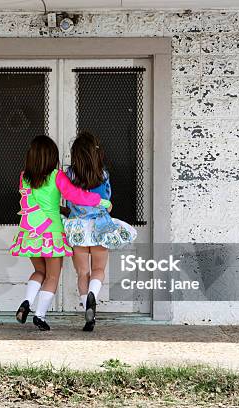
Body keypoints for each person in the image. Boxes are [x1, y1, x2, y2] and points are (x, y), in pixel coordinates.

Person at [9, 135, 111, 331]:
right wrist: (102, 202)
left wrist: (61, 209)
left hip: (29, 233)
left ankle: (26, 302)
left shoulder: (24, 176)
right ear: (52, 156)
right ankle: (39, 316)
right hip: (51, 234)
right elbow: (75, 195)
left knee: (39, 272)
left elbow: (38, 202)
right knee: (52, 277)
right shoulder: (57, 176)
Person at [63, 131, 137, 331]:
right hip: (100, 227)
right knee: (98, 270)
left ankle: (87, 311)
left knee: (82, 273)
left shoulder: (68, 174)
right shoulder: (103, 174)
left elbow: (68, 199)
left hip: (77, 227)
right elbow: (107, 200)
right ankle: (92, 297)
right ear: (96, 153)